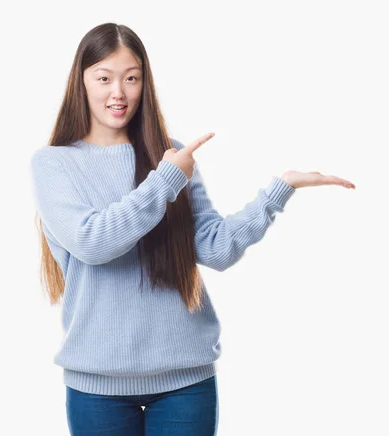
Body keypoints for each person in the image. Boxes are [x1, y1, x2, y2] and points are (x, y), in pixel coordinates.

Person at [29, 22, 355, 436]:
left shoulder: (169, 153)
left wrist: (278, 191)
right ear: (81, 81)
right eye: (104, 78)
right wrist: (165, 180)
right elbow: (93, 242)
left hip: (185, 382)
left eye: (132, 78)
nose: (119, 93)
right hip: (97, 387)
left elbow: (216, 249)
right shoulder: (54, 163)